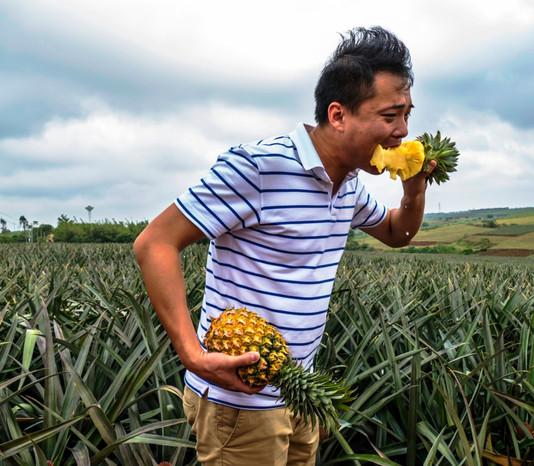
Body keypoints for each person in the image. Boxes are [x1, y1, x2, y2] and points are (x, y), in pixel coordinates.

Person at [133, 26, 435, 466]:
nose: (402, 132)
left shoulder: (348, 181)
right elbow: (154, 243)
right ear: (338, 115)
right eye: (390, 116)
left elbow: (395, 233)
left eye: (407, 115)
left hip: (298, 393)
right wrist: (192, 354)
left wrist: (413, 193)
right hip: (239, 405)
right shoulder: (259, 166)